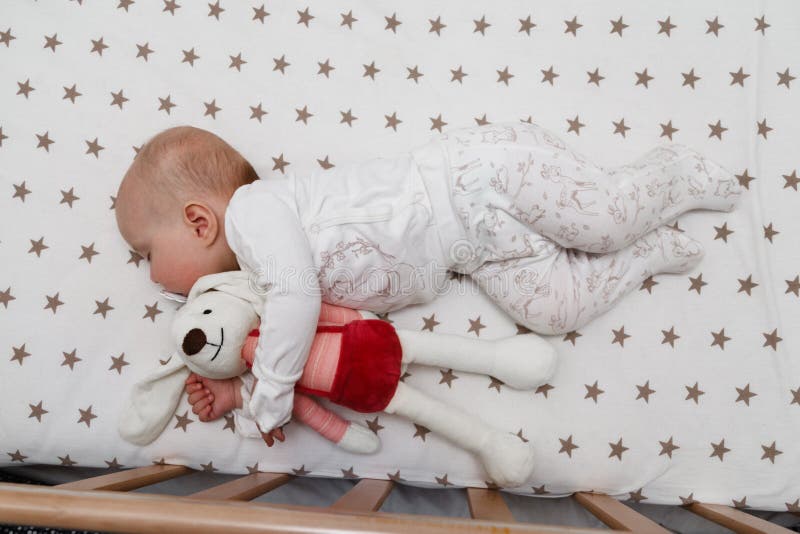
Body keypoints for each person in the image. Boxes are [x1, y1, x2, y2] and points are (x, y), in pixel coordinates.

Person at [114, 121, 743, 444]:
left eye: (146, 252)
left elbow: (298, 306)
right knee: (553, 309)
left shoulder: (254, 213)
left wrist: (271, 389)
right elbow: (297, 343)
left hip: (474, 180)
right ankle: (650, 252)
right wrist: (238, 392)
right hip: (473, 252)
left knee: (601, 221)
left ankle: (671, 177)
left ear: (199, 221)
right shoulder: (253, 287)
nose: (151, 275)